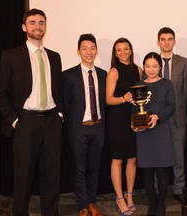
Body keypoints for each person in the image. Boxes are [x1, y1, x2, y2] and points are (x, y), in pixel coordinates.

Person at [0, 8, 63, 216]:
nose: (38, 26)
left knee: (52, 176)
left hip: (52, 122)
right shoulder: (11, 56)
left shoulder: (54, 57)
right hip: (25, 123)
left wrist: (60, 115)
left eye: (41, 22)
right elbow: (1, 94)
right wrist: (16, 121)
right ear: (24, 27)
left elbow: (58, 90)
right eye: (33, 22)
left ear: (45, 26)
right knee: (23, 178)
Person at [63, 34, 107, 216]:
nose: (89, 52)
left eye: (92, 48)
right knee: (79, 170)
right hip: (78, 129)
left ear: (96, 50)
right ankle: (82, 205)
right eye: (85, 48)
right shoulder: (67, 75)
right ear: (78, 51)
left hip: (98, 127)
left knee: (94, 169)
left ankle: (92, 202)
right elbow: (64, 104)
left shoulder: (104, 74)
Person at [132, 52, 176, 216]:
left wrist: (158, 116)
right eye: (148, 66)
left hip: (161, 132)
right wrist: (133, 123)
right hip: (143, 134)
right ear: (144, 67)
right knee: (147, 171)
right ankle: (152, 203)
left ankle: (161, 204)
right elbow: (134, 108)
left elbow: (172, 106)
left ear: (160, 67)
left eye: (154, 66)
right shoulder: (138, 85)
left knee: (162, 170)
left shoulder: (167, 84)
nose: (151, 69)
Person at [106, 38, 143, 215]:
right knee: (118, 159)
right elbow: (108, 99)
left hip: (134, 118)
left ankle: (129, 195)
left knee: (133, 159)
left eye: (125, 49)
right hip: (117, 120)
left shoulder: (138, 69)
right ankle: (119, 197)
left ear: (130, 50)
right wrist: (123, 99)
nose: (123, 52)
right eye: (119, 50)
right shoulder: (113, 71)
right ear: (115, 53)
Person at [156, 27, 187, 206]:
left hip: (178, 118)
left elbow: (186, 92)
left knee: (179, 157)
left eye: (170, 39)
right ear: (158, 42)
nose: (166, 42)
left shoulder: (184, 62)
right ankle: (158, 189)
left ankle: (179, 190)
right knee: (158, 156)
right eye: (163, 39)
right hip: (157, 120)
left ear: (174, 41)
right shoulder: (152, 62)